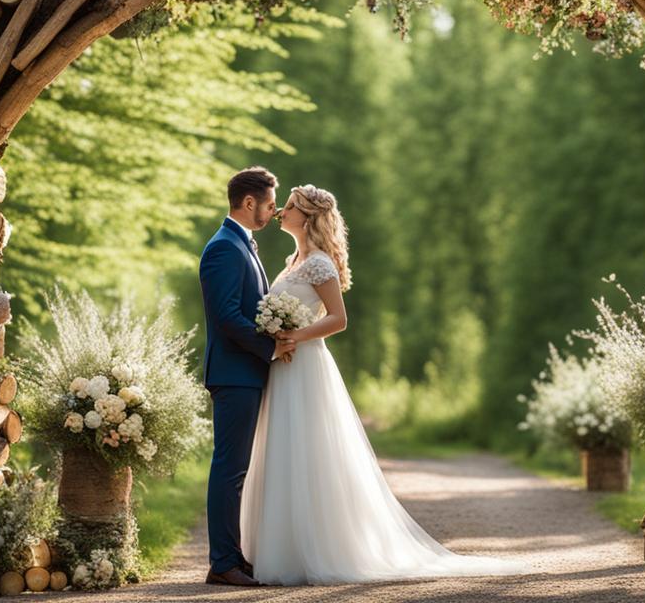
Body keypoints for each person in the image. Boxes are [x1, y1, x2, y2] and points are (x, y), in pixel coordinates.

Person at [239, 184, 525, 584]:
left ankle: (318, 549)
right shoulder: (292, 260)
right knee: (283, 451)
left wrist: (293, 336)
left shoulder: (319, 263)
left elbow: (338, 319)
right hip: (284, 365)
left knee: (308, 451)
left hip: (305, 365)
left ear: (307, 218)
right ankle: (282, 550)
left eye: (289, 207)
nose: (281, 212)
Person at [198, 167, 296, 587]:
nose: (274, 211)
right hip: (234, 373)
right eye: (271, 203)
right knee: (229, 468)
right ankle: (222, 563)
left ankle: (233, 556)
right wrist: (270, 346)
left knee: (237, 468)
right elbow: (227, 318)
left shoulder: (243, 244)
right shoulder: (223, 248)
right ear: (249, 202)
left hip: (246, 372)